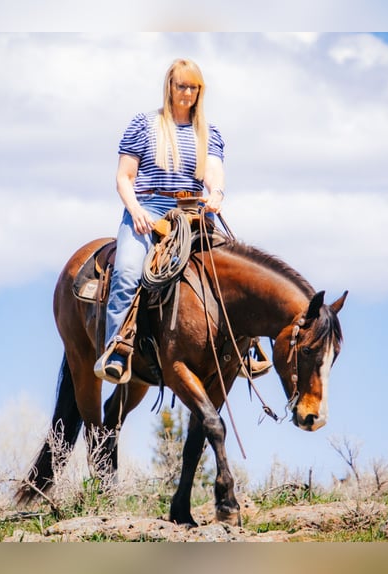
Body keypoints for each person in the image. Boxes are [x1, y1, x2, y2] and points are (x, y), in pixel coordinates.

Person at [94, 58, 269, 384]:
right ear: (169, 87)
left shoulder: (209, 131)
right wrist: (136, 211)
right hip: (149, 207)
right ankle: (117, 346)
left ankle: (245, 348)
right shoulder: (144, 124)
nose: (187, 93)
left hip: (193, 211)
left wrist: (216, 192)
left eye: (193, 87)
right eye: (181, 86)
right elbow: (124, 177)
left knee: (230, 268)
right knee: (129, 270)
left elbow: (214, 172)